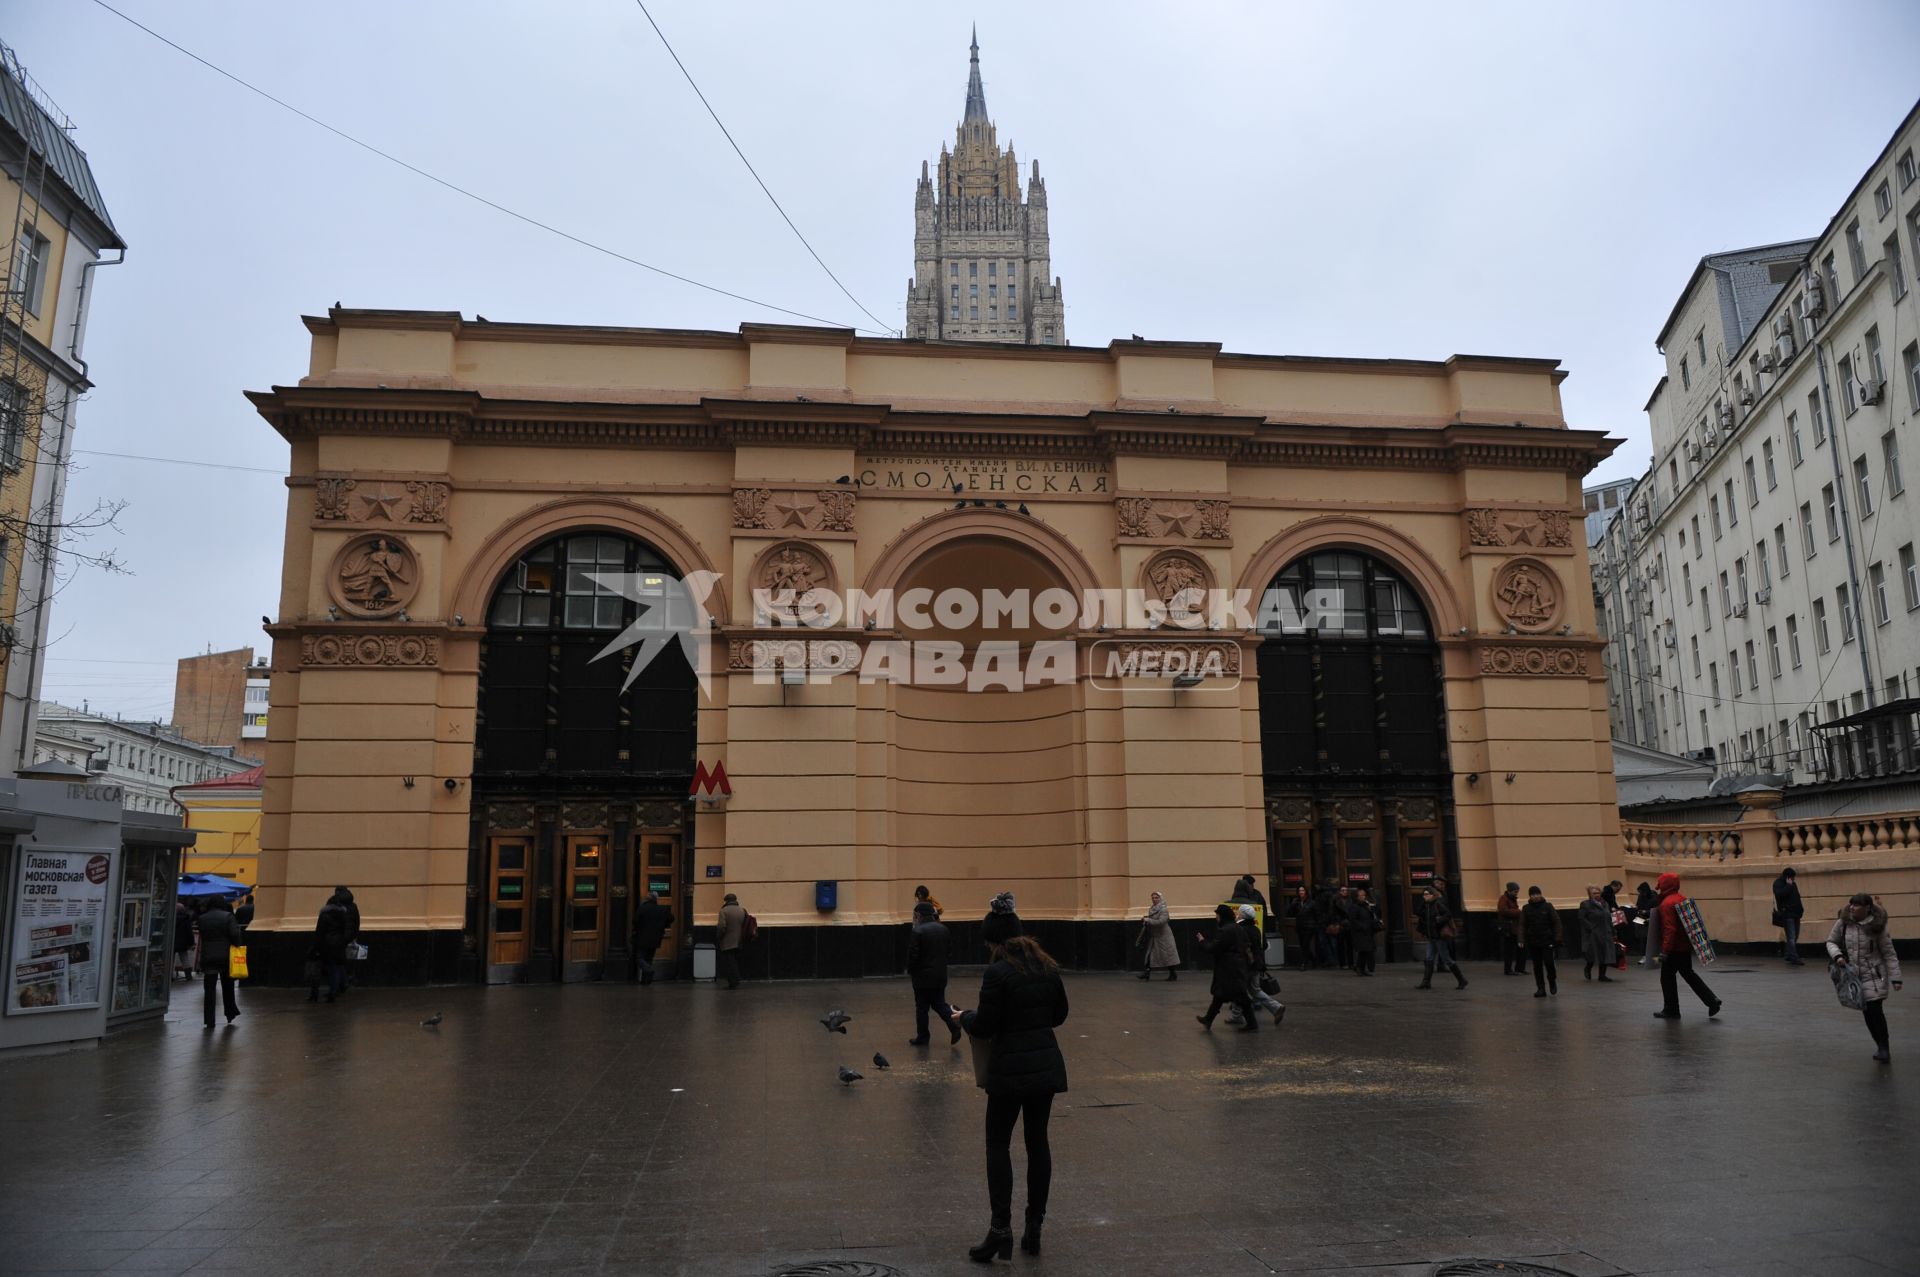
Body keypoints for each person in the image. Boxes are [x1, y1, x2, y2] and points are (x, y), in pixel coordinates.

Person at [951, 925, 1067, 1260]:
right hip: (1045, 1067)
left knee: (998, 1143)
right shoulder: (1048, 969)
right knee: (1037, 1141)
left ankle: (1000, 1229)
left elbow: (986, 1024)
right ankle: (1035, 1226)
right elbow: (1060, 1015)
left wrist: (964, 1018)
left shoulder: (997, 974)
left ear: (996, 943)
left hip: (1008, 1071)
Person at [1826, 893, 1903, 1062]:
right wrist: (1838, 955)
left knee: (1875, 1009)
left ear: (1867, 907)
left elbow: (1889, 953)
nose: (1852, 907)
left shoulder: (1877, 926)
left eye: (1857, 905)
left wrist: (1896, 978)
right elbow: (1831, 941)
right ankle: (1880, 1045)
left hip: (1875, 975)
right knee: (1867, 1013)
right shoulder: (1843, 922)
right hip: (1854, 976)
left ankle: (1884, 1047)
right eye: (1851, 904)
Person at [1652, 871, 1721, 1020]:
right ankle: (1712, 1000)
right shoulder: (1682, 899)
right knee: (1689, 974)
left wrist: (1665, 950)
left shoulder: (1666, 904)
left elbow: (1670, 929)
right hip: (1685, 947)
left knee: (1667, 978)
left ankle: (1671, 1009)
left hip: (1673, 948)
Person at [907, 900, 960, 1045]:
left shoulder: (917, 931)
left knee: (922, 1007)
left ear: (918, 914)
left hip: (922, 977)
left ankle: (923, 1036)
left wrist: (911, 970)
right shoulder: (944, 929)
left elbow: (913, 955)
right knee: (939, 1003)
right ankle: (954, 1025)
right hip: (940, 975)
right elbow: (949, 952)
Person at [1196, 904, 1256, 1031]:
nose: (1216, 918)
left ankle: (1252, 1024)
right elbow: (1246, 944)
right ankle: (1208, 1019)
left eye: (1217, 915)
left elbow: (1213, 948)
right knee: (1220, 995)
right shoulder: (1238, 928)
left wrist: (1202, 941)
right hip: (1236, 966)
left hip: (1229, 968)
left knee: (1240, 996)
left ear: (1222, 916)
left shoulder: (1226, 930)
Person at [1233, 904, 1285, 1026]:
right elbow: (1261, 946)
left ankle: (1237, 1015)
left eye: (1239, 913)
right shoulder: (1255, 928)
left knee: (1239, 989)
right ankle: (1276, 1007)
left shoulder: (1240, 928)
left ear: (1242, 915)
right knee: (1255, 990)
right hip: (1256, 964)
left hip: (1245, 965)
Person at [197, 895, 243, 1028]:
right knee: (228, 986)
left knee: (209, 990)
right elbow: (235, 935)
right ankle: (230, 1012)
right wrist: (237, 944)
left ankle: (209, 1020)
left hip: (208, 956)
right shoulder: (228, 916)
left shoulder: (202, 918)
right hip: (225, 956)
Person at [1414, 884, 1467, 990]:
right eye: (1423, 894)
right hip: (1431, 936)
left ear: (1433, 895)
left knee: (1446, 959)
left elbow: (1448, 915)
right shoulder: (1426, 905)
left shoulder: (1438, 904)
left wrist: (1438, 922)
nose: (1424, 896)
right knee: (1429, 958)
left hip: (1439, 936)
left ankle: (1462, 980)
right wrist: (1423, 903)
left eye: (1426, 894)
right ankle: (1426, 982)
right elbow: (1418, 913)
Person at [311, 889, 352, 1003]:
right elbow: (346, 931)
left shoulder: (324, 915)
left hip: (326, 944)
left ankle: (315, 993)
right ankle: (333, 991)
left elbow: (320, 932)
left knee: (323, 969)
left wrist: (316, 946)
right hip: (339, 944)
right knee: (336, 969)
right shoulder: (343, 915)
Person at [1521, 886, 1561, 997]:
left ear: (1541, 894)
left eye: (1537, 894)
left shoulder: (1548, 907)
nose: (1535, 896)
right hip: (1533, 940)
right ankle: (1541, 988)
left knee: (1549, 963)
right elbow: (1522, 925)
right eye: (1533, 895)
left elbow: (1556, 922)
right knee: (1537, 965)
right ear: (1530, 896)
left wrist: (1558, 937)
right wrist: (1521, 939)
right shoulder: (1526, 908)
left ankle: (1552, 981)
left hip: (1547, 939)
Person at [1136, 890, 1180, 980]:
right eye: (1153, 898)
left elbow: (1161, 922)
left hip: (1164, 937)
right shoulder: (1152, 908)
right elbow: (1153, 920)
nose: (1154, 899)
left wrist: (1148, 920)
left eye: (1156, 898)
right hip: (1155, 936)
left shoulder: (1164, 909)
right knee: (1149, 954)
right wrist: (1146, 920)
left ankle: (1173, 973)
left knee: (1167, 956)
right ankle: (1147, 973)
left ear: (1160, 898)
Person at [631, 890, 673, 985]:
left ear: (648, 898)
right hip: (656, 938)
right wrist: (662, 925)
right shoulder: (661, 909)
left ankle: (648, 970)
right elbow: (671, 918)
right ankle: (645, 981)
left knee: (639, 958)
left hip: (642, 937)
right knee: (649, 958)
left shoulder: (643, 908)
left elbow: (635, 921)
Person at [1578, 885, 1616, 982]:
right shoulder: (1585, 904)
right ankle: (1588, 968)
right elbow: (1581, 918)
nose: (1597, 895)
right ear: (1590, 895)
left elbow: (1609, 918)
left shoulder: (1605, 904)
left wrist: (1613, 931)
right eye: (1594, 893)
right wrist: (1590, 927)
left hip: (1605, 932)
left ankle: (1602, 975)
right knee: (1591, 955)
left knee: (1605, 954)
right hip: (1593, 933)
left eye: (1598, 893)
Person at [1344, 887, 1381, 977]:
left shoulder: (1366, 905)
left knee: (1365, 951)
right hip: (1359, 932)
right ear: (1356, 897)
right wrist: (1362, 926)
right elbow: (1353, 920)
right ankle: (1359, 968)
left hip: (1367, 931)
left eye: (1364, 895)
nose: (1363, 897)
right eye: (1361, 895)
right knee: (1363, 950)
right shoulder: (1354, 907)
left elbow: (1373, 914)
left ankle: (1361, 968)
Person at [1773, 867, 1806, 966]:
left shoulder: (1793, 884)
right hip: (1787, 914)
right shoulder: (1778, 884)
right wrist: (1788, 886)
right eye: (1792, 877)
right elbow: (1779, 895)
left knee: (1795, 935)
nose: (1794, 879)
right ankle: (1794, 958)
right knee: (1791, 937)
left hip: (1796, 913)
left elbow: (1797, 898)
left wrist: (1801, 910)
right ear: (1787, 877)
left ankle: (1788, 954)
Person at [716, 892, 747, 990]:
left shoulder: (723, 911)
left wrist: (719, 937)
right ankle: (736, 980)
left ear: (726, 901)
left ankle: (733, 981)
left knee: (729, 963)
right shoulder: (742, 910)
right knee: (734, 961)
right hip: (739, 941)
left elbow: (721, 927)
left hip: (727, 941)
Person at [1497, 882, 1527, 976]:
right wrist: (1518, 912)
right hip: (1508, 929)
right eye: (1515, 891)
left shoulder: (1512, 899)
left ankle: (1520, 968)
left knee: (1521, 948)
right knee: (1509, 950)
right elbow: (1503, 910)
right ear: (1509, 891)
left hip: (1515, 928)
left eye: (1517, 891)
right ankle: (1508, 970)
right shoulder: (1504, 899)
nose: (1516, 893)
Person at [1284, 886, 1313, 969]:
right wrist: (1292, 905)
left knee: (1305, 944)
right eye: (1299, 891)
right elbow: (1289, 912)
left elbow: (1316, 915)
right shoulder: (1296, 902)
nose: (1301, 892)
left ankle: (1304, 963)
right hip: (1300, 926)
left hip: (1309, 926)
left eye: (1303, 890)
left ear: (1306, 892)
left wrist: (1315, 925)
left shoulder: (1311, 902)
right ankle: (1313, 959)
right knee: (1303, 945)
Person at [1635, 881, 1660, 966]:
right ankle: (1644, 956)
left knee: (1651, 938)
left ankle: (1653, 957)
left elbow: (1657, 909)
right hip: (1641, 918)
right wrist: (1638, 909)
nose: (1641, 894)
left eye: (1642, 892)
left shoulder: (1653, 896)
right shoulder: (1641, 896)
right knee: (1642, 938)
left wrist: (1647, 912)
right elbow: (1638, 905)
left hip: (1651, 919)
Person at [173, 897, 196, 978]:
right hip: (183, 943)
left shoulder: (171, 918)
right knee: (184, 958)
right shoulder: (186, 919)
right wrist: (192, 943)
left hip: (172, 942)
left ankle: (170, 975)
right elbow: (189, 932)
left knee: (170, 959)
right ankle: (188, 975)